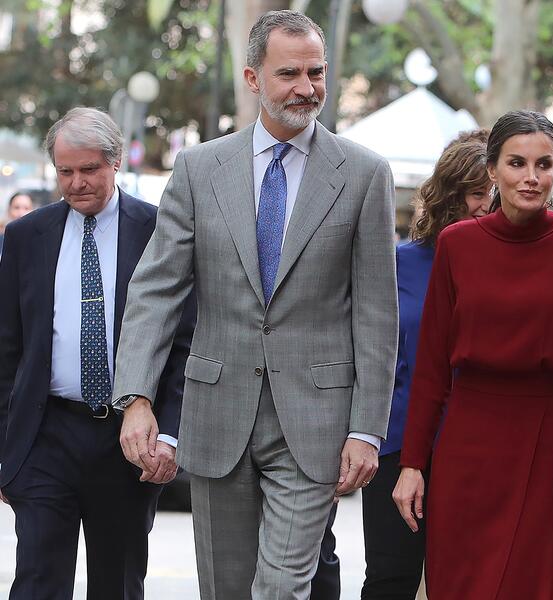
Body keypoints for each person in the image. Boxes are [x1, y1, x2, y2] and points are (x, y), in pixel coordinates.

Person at [111, 10, 398, 599]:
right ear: (252, 78)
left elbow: (376, 314)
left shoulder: (365, 174)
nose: (306, 87)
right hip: (217, 414)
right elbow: (157, 289)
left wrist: (367, 430)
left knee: (281, 589)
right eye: (289, 73)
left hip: (315, 421)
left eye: (316, 72)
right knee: (226, 589)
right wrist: (136, 398)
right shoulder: (199, 168)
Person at [393, 109, 553, 600]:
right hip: (465, 443)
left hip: (541, 440)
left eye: (544, 164)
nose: (531, 177)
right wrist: (412, 464)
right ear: (493, 170)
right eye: (517, 163)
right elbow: (432, 368)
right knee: (460, 584)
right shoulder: (457, 244)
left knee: (531, 582)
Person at [0, 107, 193, 599]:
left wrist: (169, 434)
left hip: (126, 438)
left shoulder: (158, 231)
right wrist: (6, 448)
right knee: (37, 582)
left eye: (88, 169)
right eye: (65, 171)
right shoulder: (26, 236)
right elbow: (7, 347)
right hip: (45, 434)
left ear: (115, 162)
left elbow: (183, 342)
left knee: (118, 583)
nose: (76, 183)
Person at [360, 136, 491, 600]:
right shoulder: (400, 264)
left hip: (479, 445)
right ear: (451, 195)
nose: (486, 205)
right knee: (390, 578)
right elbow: (372, 354)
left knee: (467, 582)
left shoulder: (510, 267)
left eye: (493, 193)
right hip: (399, 443)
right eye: (477, 193)